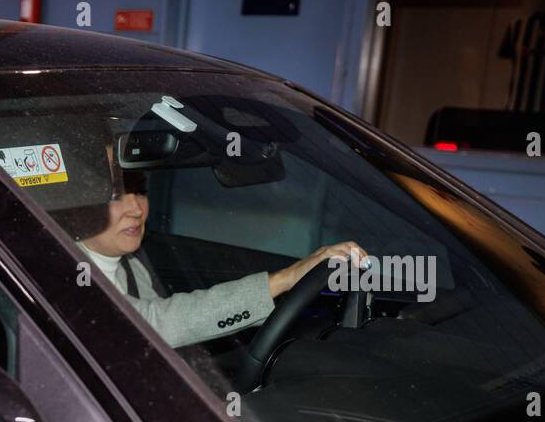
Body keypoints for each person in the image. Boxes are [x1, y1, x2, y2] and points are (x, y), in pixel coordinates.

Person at [77, 146, 367, 348]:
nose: (136, 209)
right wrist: (285, 279)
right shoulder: (66, 275)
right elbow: (154, 324)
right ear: (73, 201)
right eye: (115, 195)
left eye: (139, 190)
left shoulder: (133, 266)